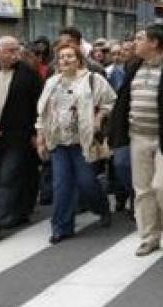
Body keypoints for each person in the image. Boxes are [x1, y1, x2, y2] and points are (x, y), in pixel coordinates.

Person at [109, 25, 163, 256]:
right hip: (138, 136)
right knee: (143, 189)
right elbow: (123, 100)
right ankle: (149, 236)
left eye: (139, 38)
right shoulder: (133, 65)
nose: (134, 43)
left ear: (154, 43)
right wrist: (117, 133)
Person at [35, 42, 115, 243]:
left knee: (86, 182)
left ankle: (101, 207)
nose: (65, 60)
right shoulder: (52, 82)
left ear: (79, 59)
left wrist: (99, 117)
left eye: (69, 56)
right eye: (61, 57)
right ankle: (61, 227)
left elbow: (110, 101)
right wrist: (41, 137)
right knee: (61, 185)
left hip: (83, 140)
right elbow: (42, 112)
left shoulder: (92, 79)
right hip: (59, 140)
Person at [0, 36, 43, 241]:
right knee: (4, 176)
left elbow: (38, 107)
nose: (15, 54)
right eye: (9, 50)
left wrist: (36, 133)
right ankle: (21, 211)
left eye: (17, 50)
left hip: (19, 137)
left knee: (8, 176)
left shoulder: (29, 75)